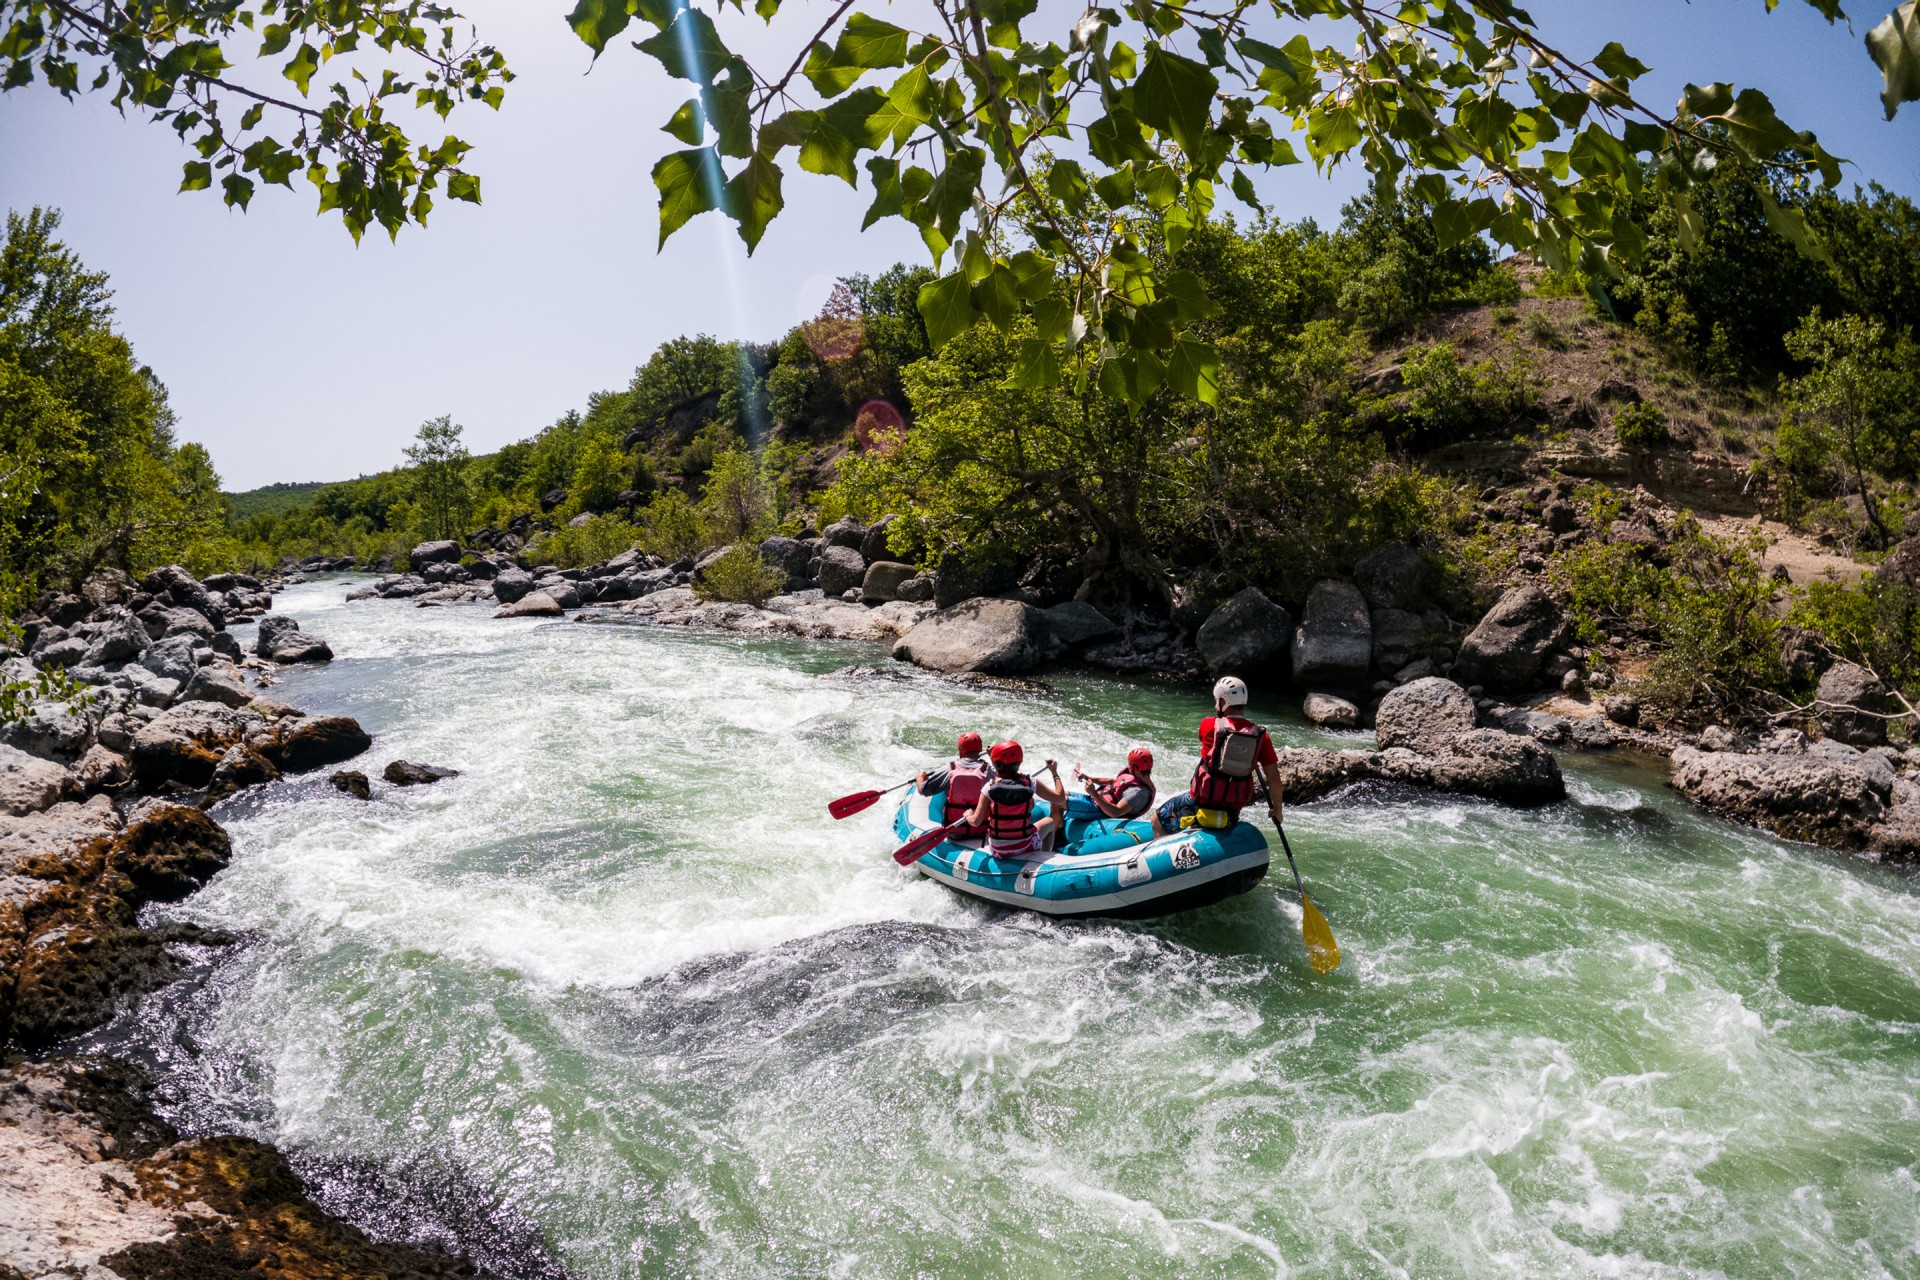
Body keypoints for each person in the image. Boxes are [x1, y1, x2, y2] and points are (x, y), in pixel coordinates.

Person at [1152, 676, 1284, 836]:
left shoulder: (1208, 725)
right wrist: (1277, 810)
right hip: (1232, 809)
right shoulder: (1261, 736)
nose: (1215, 704)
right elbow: (1274, 778)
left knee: (1157, 820)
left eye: (1217, 700)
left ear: (1223, 702)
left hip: (1199, 802)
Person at [965, 740, 1068, 858]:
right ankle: (1043, 857)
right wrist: (1054, 773)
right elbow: (1060, 798)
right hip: (1025, 846)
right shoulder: (1031, 783)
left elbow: (976, 821)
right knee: (1049, 822)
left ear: (995, 763)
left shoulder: (989, 787)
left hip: (998, 850)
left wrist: (968, 815)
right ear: (1020, 762)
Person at [917, 732, 991, 831]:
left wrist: (920, 778)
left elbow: (924, 790)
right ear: (980, 750)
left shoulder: (950, 769)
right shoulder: (988, 770)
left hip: (954, 831)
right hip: (982, 830)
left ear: (960, 751)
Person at [1073, 747, 1157, 820]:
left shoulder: (1138, 793)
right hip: (1096, 801)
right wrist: (1087, 777)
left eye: (1130, 764)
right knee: (1064, 795)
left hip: (1100, 811)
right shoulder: (1135, 775)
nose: (1128, 766)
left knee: (1060, 798)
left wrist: (1093, 793)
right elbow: (1112, 782)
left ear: (1135, 768)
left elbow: (1115, 812)